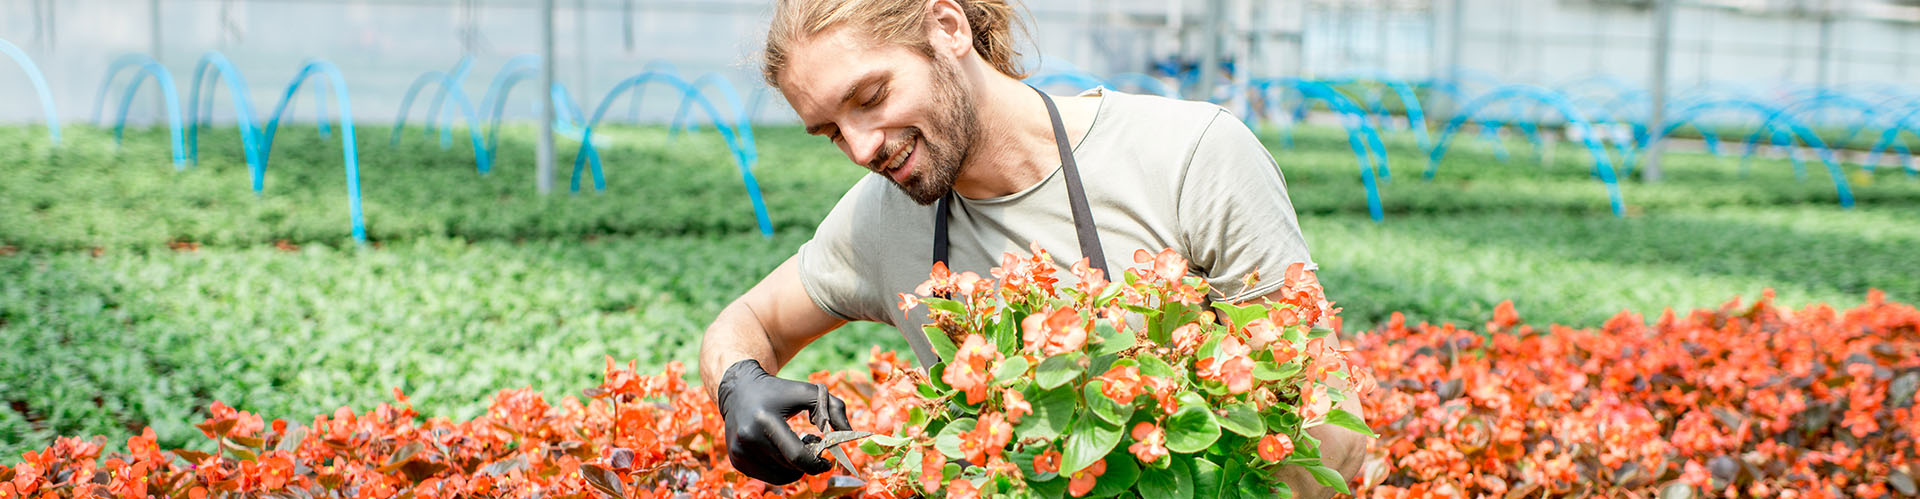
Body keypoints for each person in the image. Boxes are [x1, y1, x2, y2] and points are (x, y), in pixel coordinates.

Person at [697, 0, 1370, 495]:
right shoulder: (882, 218)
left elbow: (1332, 435)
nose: (863, 146)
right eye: (831, 132)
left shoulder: (1190, 156)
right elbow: (745, 323)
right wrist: (739, 383)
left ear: (948, 28)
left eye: (871, 96)